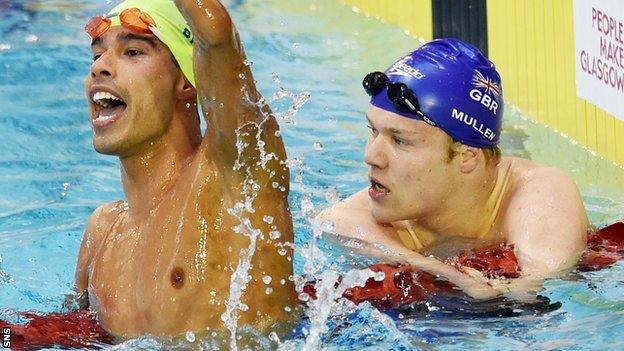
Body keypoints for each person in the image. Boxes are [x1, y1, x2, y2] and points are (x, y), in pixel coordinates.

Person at [75, 0, 295, 338]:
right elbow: (70, 335)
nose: (100, 67)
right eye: (96, 55)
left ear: (187, 82)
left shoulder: (231, 176)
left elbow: (217, 34)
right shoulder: (102, 232)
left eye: (133, 52)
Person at [318, 39, 588, 299]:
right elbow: (334, 222)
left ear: (466, 157)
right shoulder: (394, 203)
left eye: (400, 141)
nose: (371, 156)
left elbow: (539, 287)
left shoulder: (539, 192)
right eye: (373, 131)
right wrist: (447, 274)